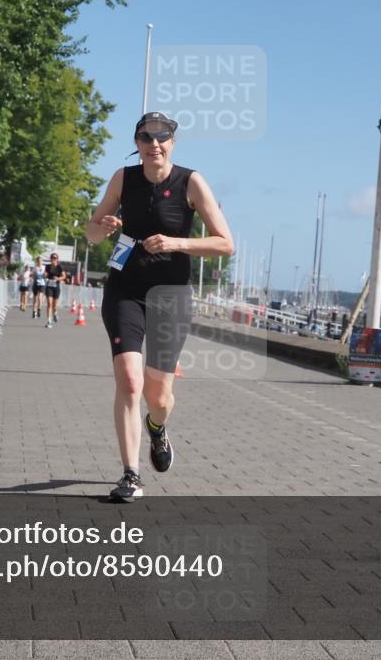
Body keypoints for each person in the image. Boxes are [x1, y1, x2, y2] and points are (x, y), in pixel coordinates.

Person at [85, 111, 233, 502]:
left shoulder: (191, 181)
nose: (154, 145)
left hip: (170, 295)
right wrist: (105, 227)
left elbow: (224, 244)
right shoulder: (124, 178)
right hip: (125, 290)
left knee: (159, 397)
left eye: (161, 137)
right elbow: (91, 229)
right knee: (130, 381)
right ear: (136, 143)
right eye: (146, 138)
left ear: (173, 142)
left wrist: (176, 243)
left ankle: (157, 427)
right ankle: (131, 474)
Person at [44, 253, 64, 328]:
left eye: (55, 258)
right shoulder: (48, 267)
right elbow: (45, 274)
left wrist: (58, 278)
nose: (53, 259)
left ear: (57, 259)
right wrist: (45, 275)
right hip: (49, 286)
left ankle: (55, 313)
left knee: (54, 305)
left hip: (56, 286)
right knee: (49, 303)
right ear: (50, 259)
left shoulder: (59, 267)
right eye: (52, 258)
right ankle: (49, 321)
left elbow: (64, 276)